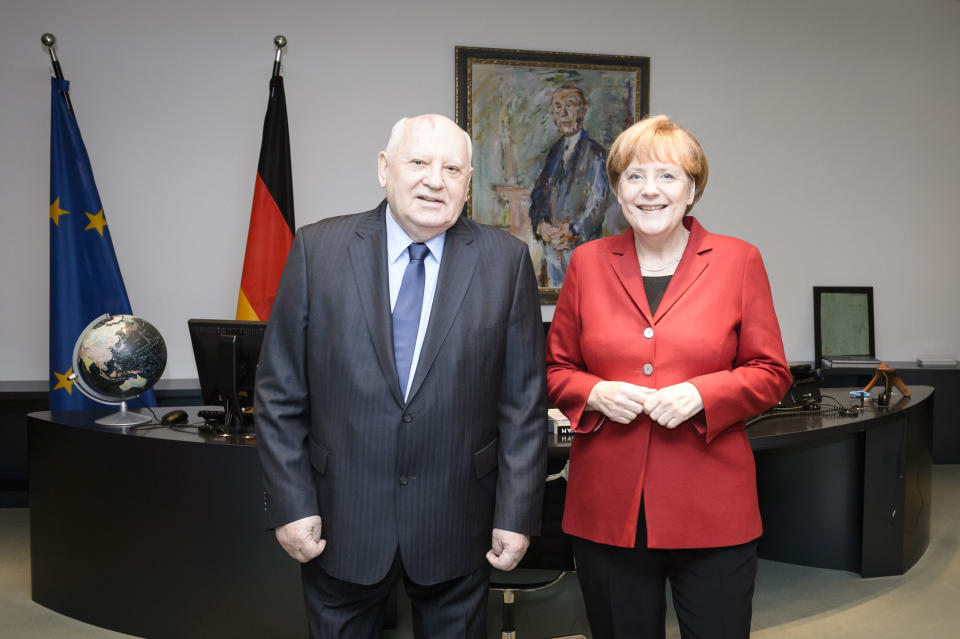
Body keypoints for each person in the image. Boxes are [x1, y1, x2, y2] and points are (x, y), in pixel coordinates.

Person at [255, 113, 547, 638]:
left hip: (458, 522)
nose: (434, 180)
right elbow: (278, 394)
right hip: (340, 519)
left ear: (467, 183)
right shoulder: (317, 251)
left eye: (452, 168)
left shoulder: (506, 263)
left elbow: (522, 404)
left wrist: (517, 512)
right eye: (418, 162)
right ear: (385, 169)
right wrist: (291, 504)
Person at [545, 114, 792, 638]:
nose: (649, 191)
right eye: (634, 177)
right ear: (616, 188)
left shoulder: (738, 260)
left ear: (693, 189)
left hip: (712, 506)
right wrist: (596, 391)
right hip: (607, 510)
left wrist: (702, 394)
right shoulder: (587, 264)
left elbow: (771, 372)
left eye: (667, 176)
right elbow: (555, 369)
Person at [529, 85, 612, 287]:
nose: (563, 113)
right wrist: (541, 226)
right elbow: (538, 196)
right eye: (557, 107)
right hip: (553, 254)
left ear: (582, 111)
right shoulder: (554, 152)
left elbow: (597, 204)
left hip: (584, 251)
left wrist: (573, 230)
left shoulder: (596, 153)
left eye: (570, 106)